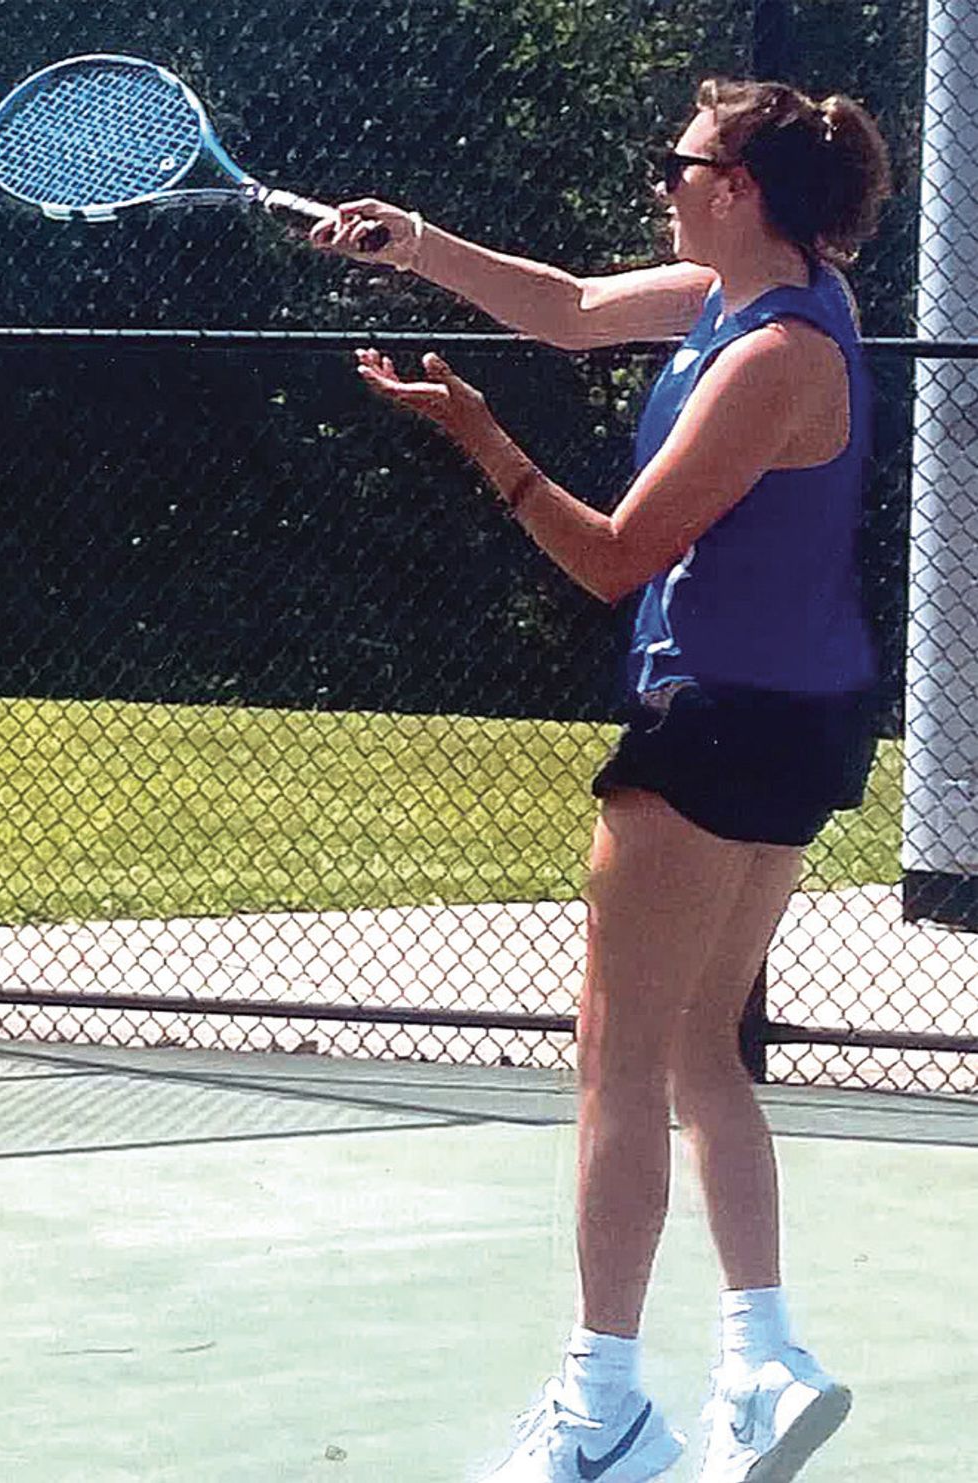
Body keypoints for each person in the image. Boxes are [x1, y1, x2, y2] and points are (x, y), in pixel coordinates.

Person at [312, 77, 892, 1483]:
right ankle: (760, 1358)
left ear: (737, 184)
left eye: (678, 165)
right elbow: (571, 309)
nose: (662, 183)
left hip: (715, 728)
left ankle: (603, 1410)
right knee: (703, 1042)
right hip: (802, 723)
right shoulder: (770, 293)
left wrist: (481, 440)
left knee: (619, 1066)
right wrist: (420, 245)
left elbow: (615, 557)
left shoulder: (771, 357)